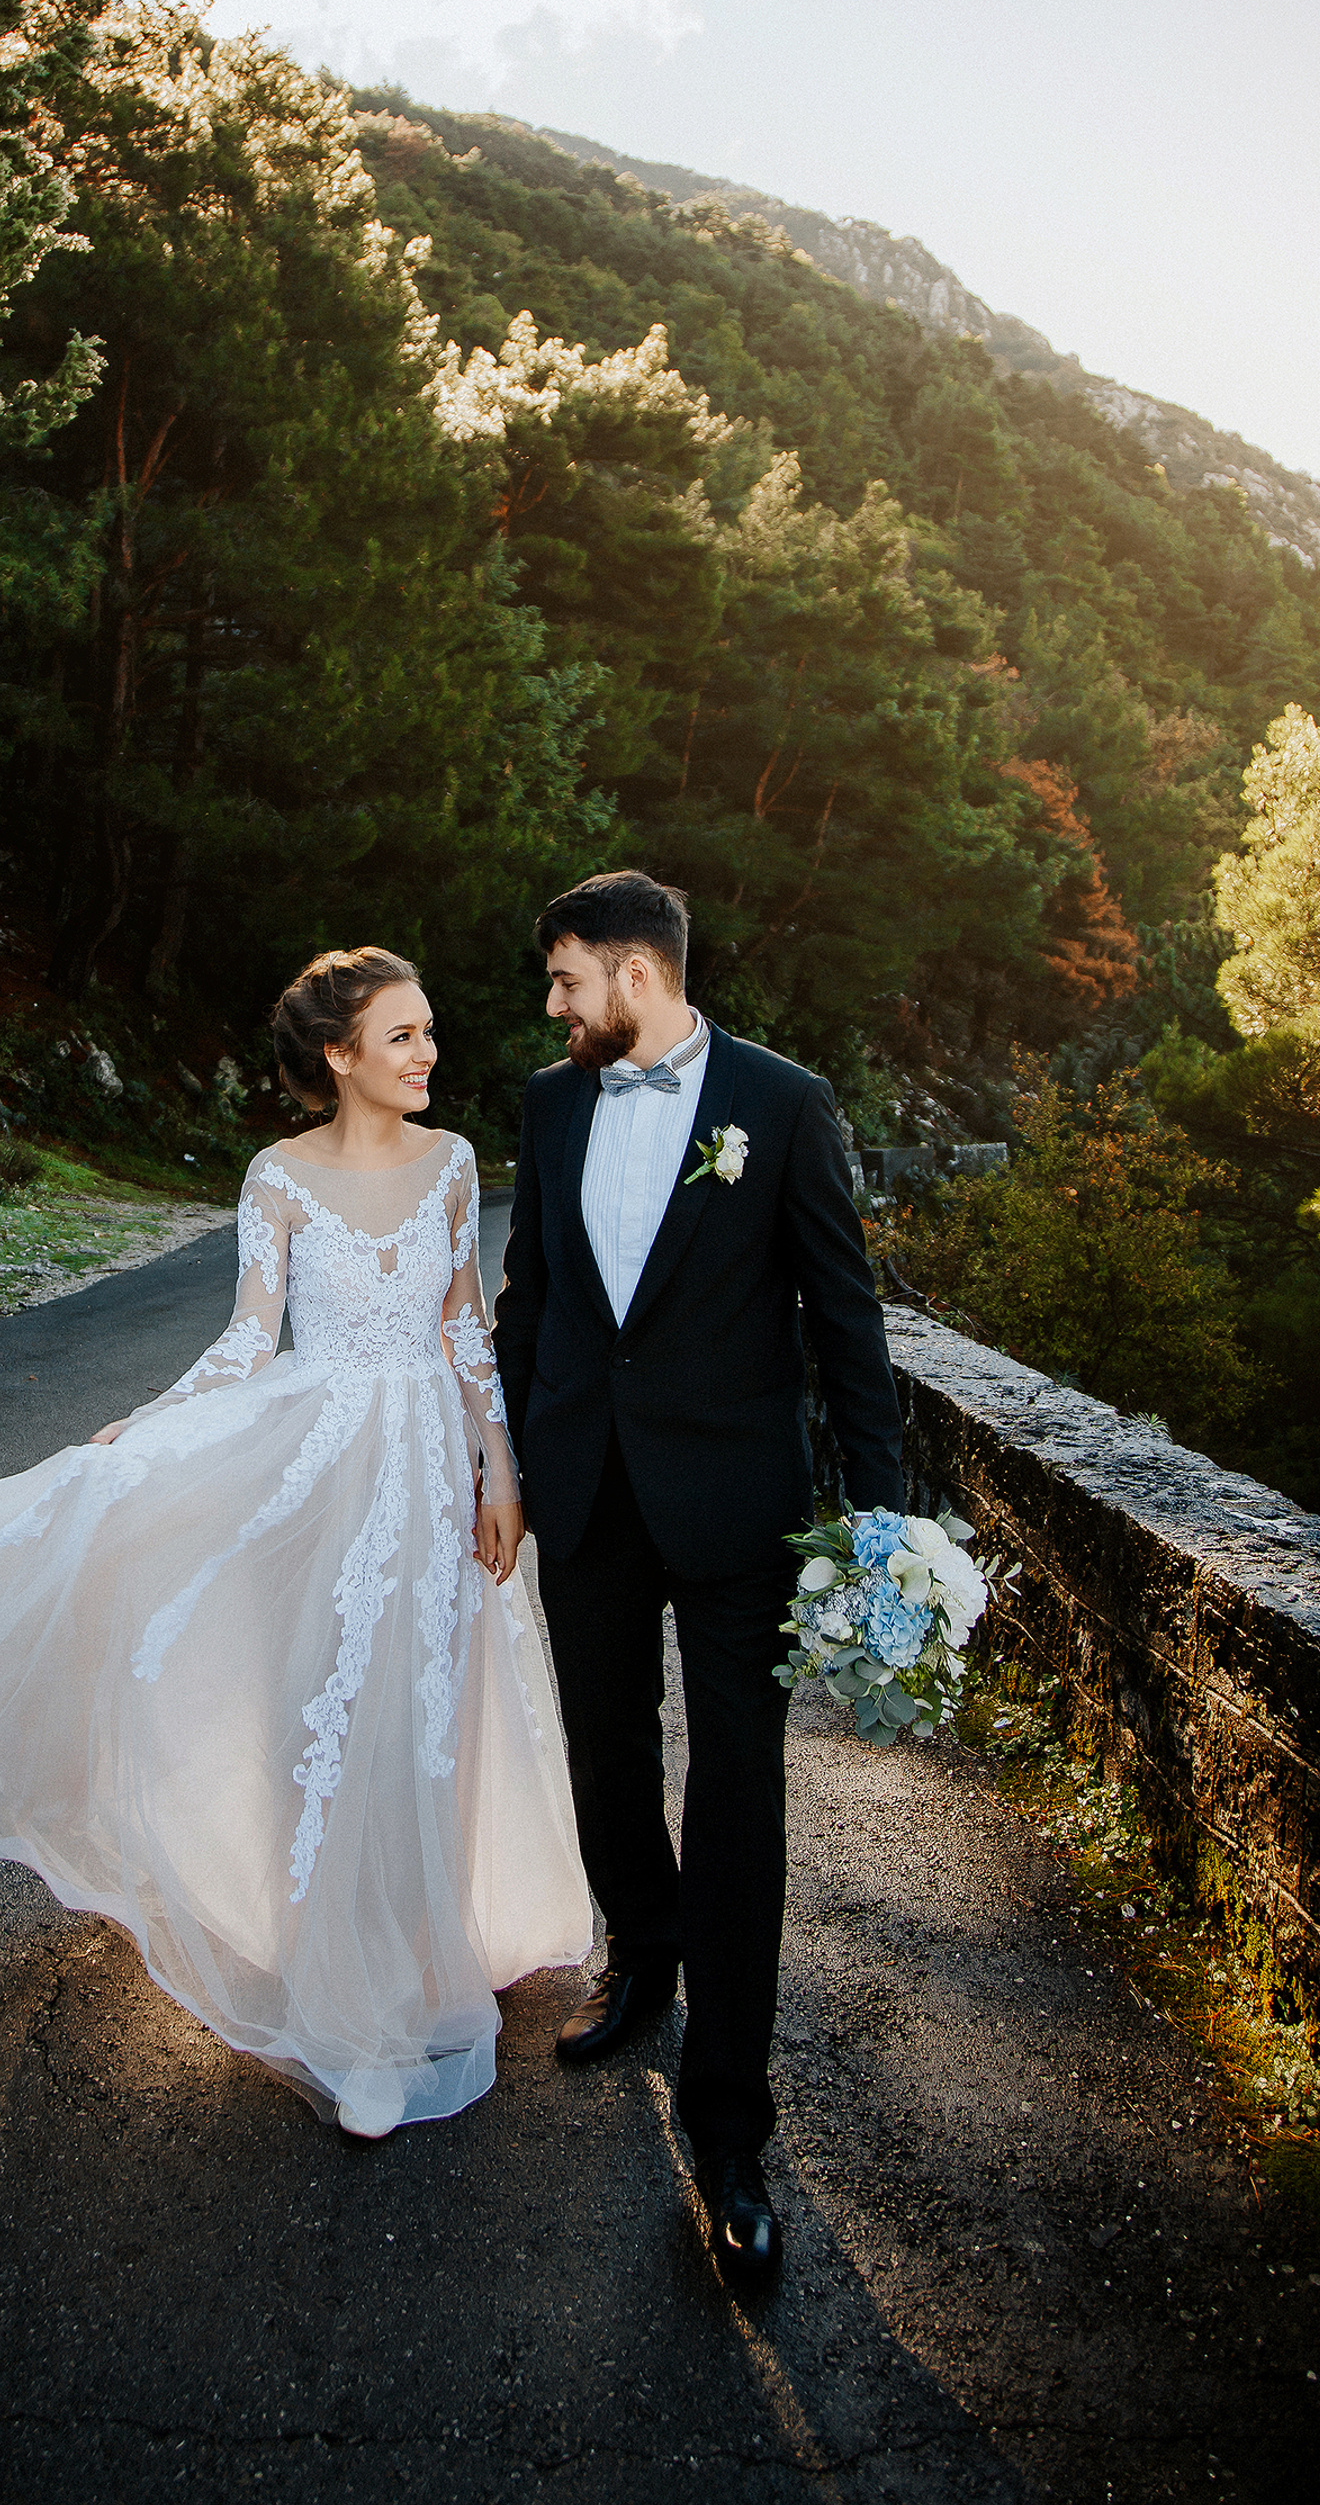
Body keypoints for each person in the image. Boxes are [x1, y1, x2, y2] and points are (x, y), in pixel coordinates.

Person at [0, 947, 590, 2139]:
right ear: (339, 1056)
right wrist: (158, 1421)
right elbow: (250, 1336)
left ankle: (425, 1954)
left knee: (423, 1715)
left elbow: (466, 1326)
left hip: (435, 1472)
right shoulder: (277, 1177)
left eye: (429, 1031)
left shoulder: (452, 1165)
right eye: (402, 1036)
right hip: (320, 1463)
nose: (428, 1053)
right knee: (321, 1713)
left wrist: (499, 1466)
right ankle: (352, 2012)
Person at [492, 871, 902, 2281]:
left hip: (738, 1515)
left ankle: (731, 2129)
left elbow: (846, 1320)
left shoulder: (784, 1105)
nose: (551, 1004)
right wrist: (515, 1460)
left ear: (638, 977)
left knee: (739, 1796)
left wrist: (885, 1522)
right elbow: (530, 1299)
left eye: (565, 979)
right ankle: (642, 1953)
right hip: (587, 1497)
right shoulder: (550, 1108)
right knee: (607, 1757)